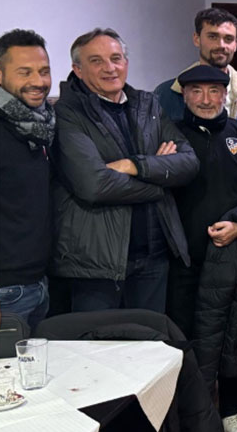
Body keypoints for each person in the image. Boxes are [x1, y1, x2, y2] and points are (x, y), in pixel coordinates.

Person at [51, 28, 198, 313]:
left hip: (154, 257)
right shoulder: (66, 113)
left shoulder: (149, 104)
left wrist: (134, 166)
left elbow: (188, 162)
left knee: (149, 349)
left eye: (116, 58)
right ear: (77, 70)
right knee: (96, 352)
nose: (110, 68)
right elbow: (94, 185)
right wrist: (160, 182)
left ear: (126, 63)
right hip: (95, 264)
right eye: (96, 61)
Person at [168, 65, 237, 432]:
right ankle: (192, 418)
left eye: (214, 91)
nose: (205, 99)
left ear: (225, 94)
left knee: (233, 337)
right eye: (196, 91)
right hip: (182, 260)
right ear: (184, 95)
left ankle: (230, 411)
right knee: (186, 340)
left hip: (230, 257)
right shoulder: (169, 137)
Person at [0, 29, 54, 328]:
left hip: (40, 283)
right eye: (25, 72)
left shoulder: (42, 126)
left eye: (44, 71)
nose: (39, 82)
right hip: (1, 292)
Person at [154, 7, 237, 123]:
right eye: (213, 37)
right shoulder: (165, 95)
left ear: (236, 44)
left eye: (228, 39)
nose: (221, 45)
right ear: (197, 39)